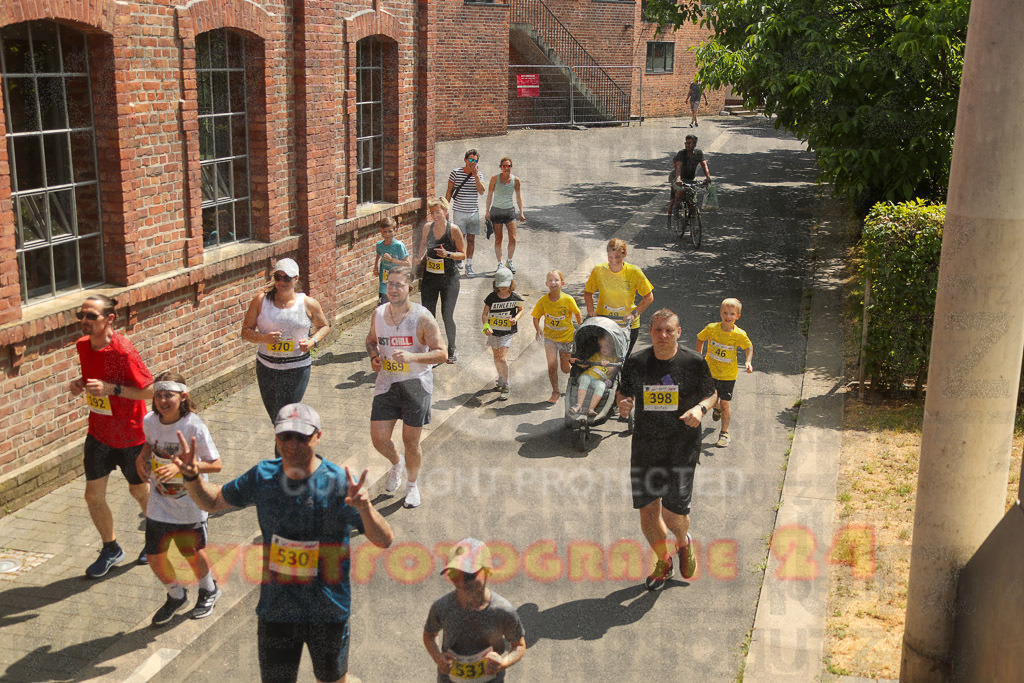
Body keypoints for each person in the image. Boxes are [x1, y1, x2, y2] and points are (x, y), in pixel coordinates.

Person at [173, 402, 394, 683]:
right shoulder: (262, 475)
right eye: (285, 436)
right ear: (276, 438)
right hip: (277, 609)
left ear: (318, 436)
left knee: (333, 680)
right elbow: (213, 501)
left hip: (326, 611)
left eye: (302, 436)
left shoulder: (339, 483)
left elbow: (384, 540)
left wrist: (365, 508)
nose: (292, 444)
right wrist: (192, 477)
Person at [616, 309, 716, 591]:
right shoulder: (636, 362)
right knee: (648, 510)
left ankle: (683, 542)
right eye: (658, 330)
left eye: (669, 330)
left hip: (681, 445)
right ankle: (664, 562)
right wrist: (624, 403)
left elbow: (712, 393)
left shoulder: (694, 362)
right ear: (650, 330)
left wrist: (700, 408)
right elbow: (624, 391)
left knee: (673, 514)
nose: (663, 335)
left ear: (678, 332)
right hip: (646, 445)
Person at [68, 294, 154, 577]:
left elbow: (151, 391)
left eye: (91, 316)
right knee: (93, 495)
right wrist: (80, 383)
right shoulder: (83, 346)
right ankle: (111, 548)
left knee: (139, 491)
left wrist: (111, 389)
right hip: (99, 434)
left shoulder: (123, 352)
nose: (84, 322)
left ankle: (156, 539)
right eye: (82, 315)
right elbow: (93, 376)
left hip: (131, 436)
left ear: (109, 319)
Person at [135, 371, 223, 626]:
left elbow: (216, 464)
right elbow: (149, 444)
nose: (163, 401)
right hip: (160, 502)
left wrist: (182, 469)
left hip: (190, 503)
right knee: (154, 555)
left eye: (169, 396)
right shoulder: (150, 420)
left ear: (183, 397)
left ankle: (209, 589)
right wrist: (141, 457)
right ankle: (176, 595)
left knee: (190, 552)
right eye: (159, 395)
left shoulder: (193, 425)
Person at [366, 266, 448, 508]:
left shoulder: (422, 318)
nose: (392, 289)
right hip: (386, 383)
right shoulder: (378, 314)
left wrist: (413, 358)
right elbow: (371, 341)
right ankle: (396, 464)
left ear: (410, 289)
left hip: (416, 385)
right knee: (379, 439)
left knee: (410, 442)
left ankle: (412, 486)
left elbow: (442, 354)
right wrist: (373, 357)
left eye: (398, 285)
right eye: (390, 284)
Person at [240, 257, 330, 422]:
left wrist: (312, 342)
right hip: (267, 369)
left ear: (296, 279)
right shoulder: (261, 301)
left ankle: (288, 445)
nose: (282, 282)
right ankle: (288, 446)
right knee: (276, 418)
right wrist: (264, 338)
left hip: (297, 368)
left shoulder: (308, 303)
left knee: (285, 419)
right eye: (278, 277)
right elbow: (245, 332)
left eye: (287, 278)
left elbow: (324, 326)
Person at [424, 538, 527, 682]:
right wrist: (438, 658)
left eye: (469, 575)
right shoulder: (442, 607)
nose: (461, 581)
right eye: (454, 574)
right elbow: (429, 635)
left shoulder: (503, 611)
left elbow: (519, 645)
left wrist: (504, 663)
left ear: (488, 571)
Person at [696, 297, 754, 448]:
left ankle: (724, 433)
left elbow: (748, 347)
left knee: (725, 404)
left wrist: (748, 361)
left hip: (728, 375)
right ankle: (715, 407)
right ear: (720, 313)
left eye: (732, 314)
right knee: (711, 400)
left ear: (737, 316)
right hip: (710, 372)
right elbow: (700, 338)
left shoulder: (739, 334)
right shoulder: (711, 329)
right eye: (725, 313)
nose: (728, 317)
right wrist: (698, 357)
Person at [584, 238, 654, 359]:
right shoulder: (599, 270)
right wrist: (591, 310)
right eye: (610, 256)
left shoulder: (634, 272)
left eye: (617, 257)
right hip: (604, 322)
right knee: (601, 357)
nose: (614, 261)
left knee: (621, 359)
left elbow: (649, 297)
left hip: (626, 324)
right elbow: (588, 292)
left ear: (624, 255)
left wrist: (634, 314)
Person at [417, 197, 467, 364]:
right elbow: (424, 244)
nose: (435, 216)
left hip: (449, 279)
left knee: (447, 315)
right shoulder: (427, 228)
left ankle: (452, 348)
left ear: (445, 211)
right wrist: (418, 258)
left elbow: (463, 254)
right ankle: (434, 349)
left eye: (438, 212)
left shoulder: (453, 230)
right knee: (428, 316)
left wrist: (448, 255)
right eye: (432, 213)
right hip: (430, 278)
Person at [532, 270, 583, 404]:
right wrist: (538, 329)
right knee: (552, 366)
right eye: (550, 280)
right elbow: (536, 317)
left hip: (566, 338)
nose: (553, 282)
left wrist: (581, 329)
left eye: (556, 280)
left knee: (565, 369)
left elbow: (578, 314)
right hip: (550, 339)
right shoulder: (543, 301)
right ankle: (555, 391)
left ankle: (577, 376)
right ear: (546, 283)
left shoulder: (568, 299)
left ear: (562, 283)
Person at [482, 267, 525, 401]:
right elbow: (484, 315)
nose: (503, 288)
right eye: (500, 286)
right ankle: (500, 378)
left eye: (506, 286)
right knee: (496, 357)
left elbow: (521, 309)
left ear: (511, 283)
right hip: (494, 332)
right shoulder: (491, 297)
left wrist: (515, 319)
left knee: (502, 358)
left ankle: (506, 385)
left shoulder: (515, 297)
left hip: (507, 332)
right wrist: (486, 327)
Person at [445, 149, 486, 276]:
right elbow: (449, 191)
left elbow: (481, 191)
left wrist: (475, 176)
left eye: (475, 160)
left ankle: (469, 264)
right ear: (465, 160)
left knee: (471, 239)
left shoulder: (479, 174)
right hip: (459, 210)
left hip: (473, 211)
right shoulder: (455, 173)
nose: (472, 162)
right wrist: (445, 209)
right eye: (470, 159)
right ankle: (459, 261)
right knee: (459, 238)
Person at [485, 157, 525, 273]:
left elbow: (518, 196)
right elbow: (489, 195)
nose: (506, 168)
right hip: (496, 211)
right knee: (499, 238)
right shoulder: (494, 179)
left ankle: (510, 261)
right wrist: (487, 211)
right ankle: (500, 263)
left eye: (508, 166)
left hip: (509, 211)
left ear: (511, 167)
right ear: (501, 167)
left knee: (513, 238)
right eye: (504, 166)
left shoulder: (516, 180)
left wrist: (521, 212)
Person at [666, 134, 712, 229]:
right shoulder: (681, 153)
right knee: (681, 190)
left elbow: (704, 165)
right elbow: (678, 167)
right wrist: (678, 179)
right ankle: (675, 208)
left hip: (691, 179)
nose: (687, 145)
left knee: (692, 201)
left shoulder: (699, 153)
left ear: (695, 144)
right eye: (686, 143)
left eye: (690, 143)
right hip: (680, 178)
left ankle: (693, 221)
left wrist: (708, 177)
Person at [570, 331, 618, 416]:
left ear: (612, 347)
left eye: (606, 346)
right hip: (587, 376)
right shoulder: (597, 355)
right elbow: (586, 365)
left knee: (601, 386)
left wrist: (607, 364)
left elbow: (612, 370)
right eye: (601, 346)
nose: (604, 349)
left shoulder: (614, 359)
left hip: (598, 381)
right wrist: (576, 361)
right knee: (585, 379)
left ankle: (591, 409)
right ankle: (579, 405)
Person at [373, 217, 412, 306]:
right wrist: (375, 267)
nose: (387, 234)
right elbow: (378, 254)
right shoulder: (379, 245)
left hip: (398, 282)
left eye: (390, 231)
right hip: (385, 281)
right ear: (381, 231)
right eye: (385, 232)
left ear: (395, 230)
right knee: (383, 308)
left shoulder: (399, 245)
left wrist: (392, 260)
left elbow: (408, 264)